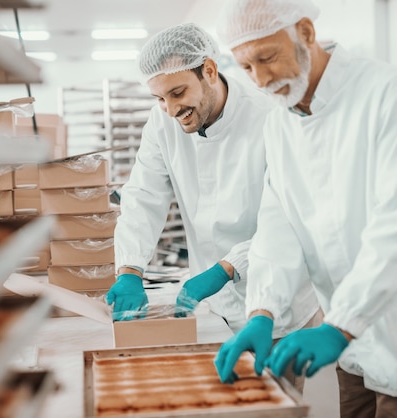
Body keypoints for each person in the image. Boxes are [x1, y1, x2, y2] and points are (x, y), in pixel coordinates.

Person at [213, 1, 397, 417]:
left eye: (267, 57)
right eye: (245, 67)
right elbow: (279, 227)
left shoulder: (386, 94)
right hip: (348, 337)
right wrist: (263, 311)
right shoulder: (281, 124)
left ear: (305, 33)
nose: (260, 79)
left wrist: (340, 325)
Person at [106, 22, 320, 344]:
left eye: (178, 93)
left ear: (208, 70)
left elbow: (289, 220)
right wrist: (130, 269)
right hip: (214, 307)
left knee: (271, 392)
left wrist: (226, 268)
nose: (171, 109)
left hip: (276, 302)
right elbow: (143, 196)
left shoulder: (270, 118)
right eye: (160, 98)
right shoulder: (162, 121)